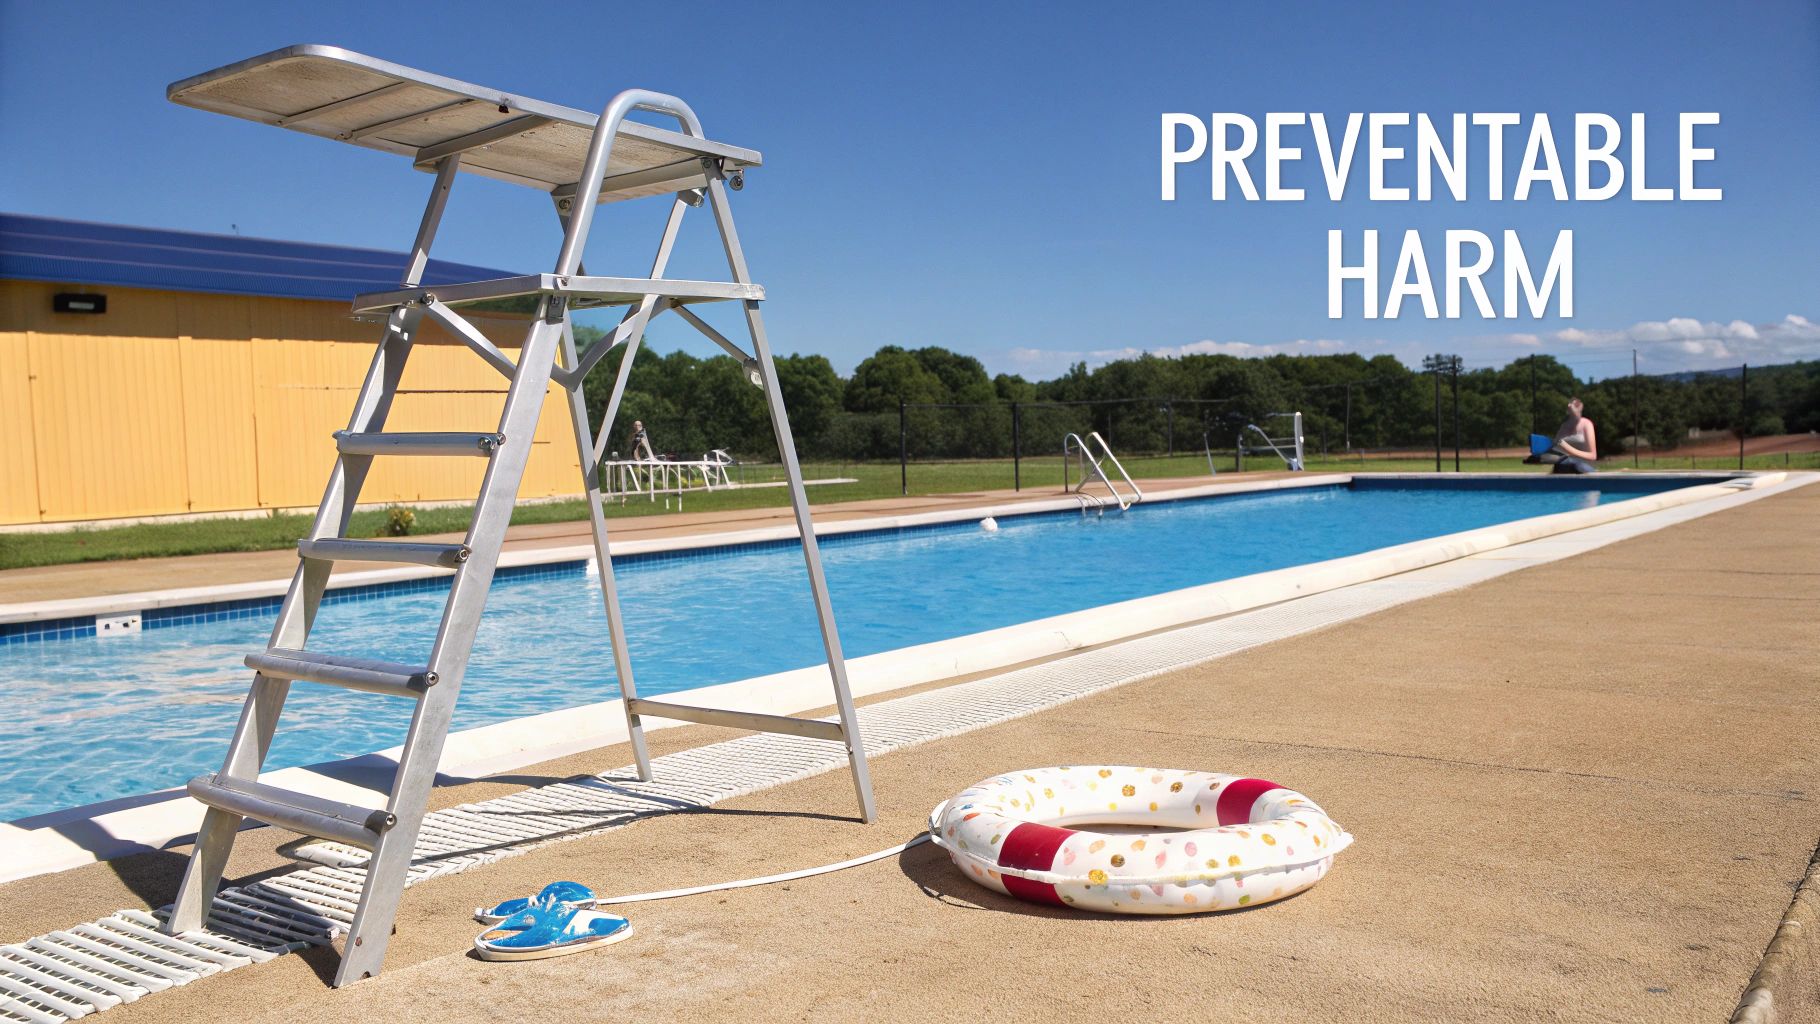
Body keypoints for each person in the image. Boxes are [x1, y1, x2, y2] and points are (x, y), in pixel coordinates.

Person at [1548, 397, 1598, 474]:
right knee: (1561, 464)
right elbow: (1555, 448)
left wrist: (1567, 448)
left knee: (1573, 463)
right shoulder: (1564, 426)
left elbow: (1593, 456)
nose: (1574, 407)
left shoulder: (1587, 424)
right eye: (1573, 404)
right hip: (1565, 466)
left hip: (1584, 467)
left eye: (1577, 404)